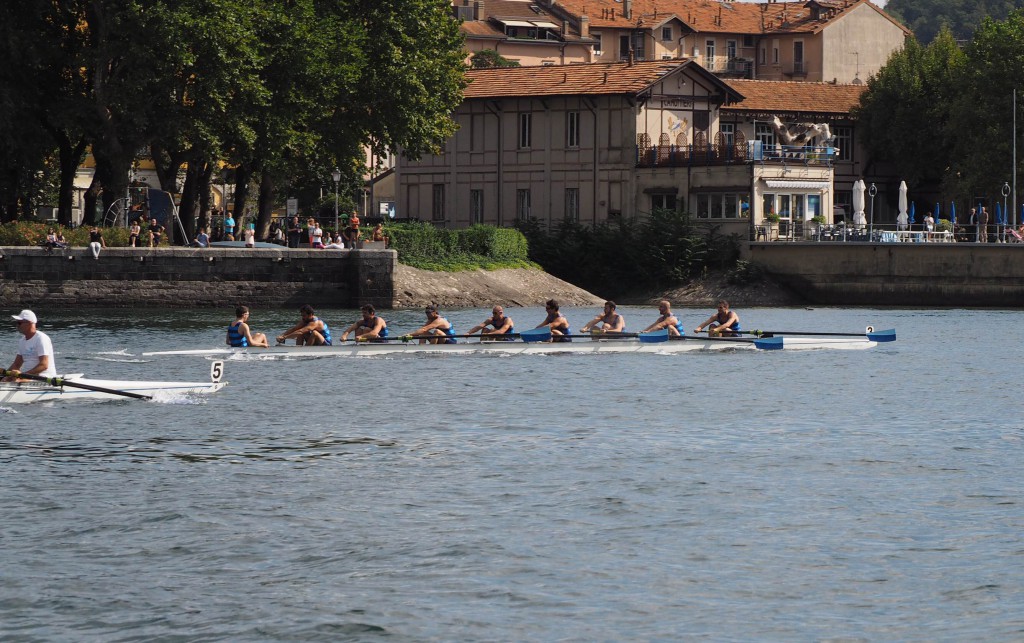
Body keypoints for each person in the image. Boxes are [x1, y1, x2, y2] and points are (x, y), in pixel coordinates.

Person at [3, 309, 57, 381]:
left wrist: (23, 376)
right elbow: (17, 364)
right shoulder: (22, 341)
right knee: (6, 379)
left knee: (15, 380)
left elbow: (44, 365)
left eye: (19, 323)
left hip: (44, 377)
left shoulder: (41, 338)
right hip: (29, 377)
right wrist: (4, 375)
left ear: (29, 323)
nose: (17, 325)